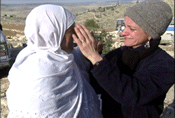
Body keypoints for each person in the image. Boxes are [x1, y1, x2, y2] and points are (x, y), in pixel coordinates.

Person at [72, 1, 174, 118]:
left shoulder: (165, 65)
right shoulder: (119, 54)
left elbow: (133, 94)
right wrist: (91, 57)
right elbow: (96, 85)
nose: (123, 32)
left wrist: (96, 59)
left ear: (151, 34)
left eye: (131, 28)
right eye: (125, 26)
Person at [6, 4, 103, 118]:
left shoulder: (60, 57)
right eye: (71, 31)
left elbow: (76, 60)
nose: (74, 36)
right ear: (54, 33)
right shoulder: (41, 69)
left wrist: (91, 51)